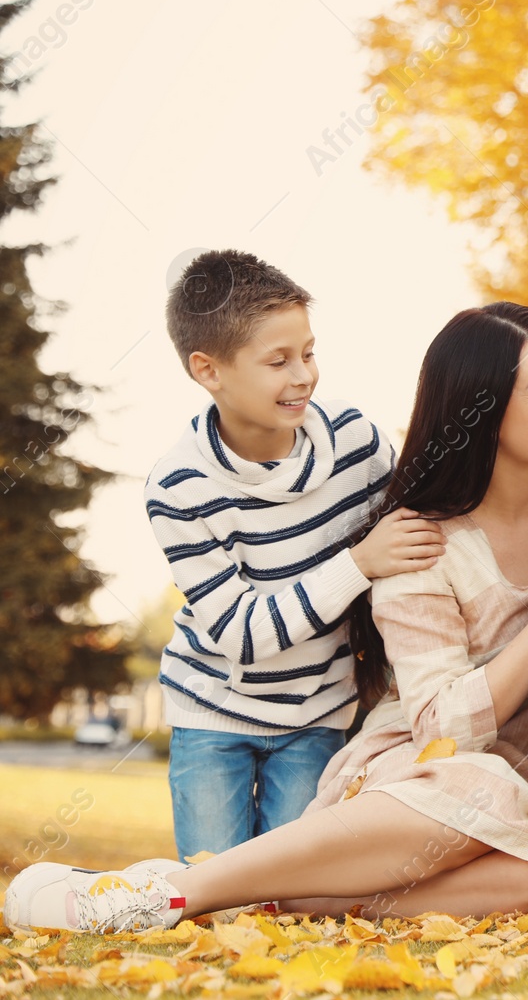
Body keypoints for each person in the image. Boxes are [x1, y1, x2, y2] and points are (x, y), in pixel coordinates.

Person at [4, 304, 528, 932]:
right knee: (477, 783)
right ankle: (166, 897)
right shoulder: (421, 545)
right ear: (485, 409)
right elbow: (449, 734)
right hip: (426, 775)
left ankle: (267, 900)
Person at [143, 250, 442, 860]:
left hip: (321, 711)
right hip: (214, 713)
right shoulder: (179, 487)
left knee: (295, 890)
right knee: (215, 887)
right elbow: (239, 633)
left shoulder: (357, 443)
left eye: (308, 352)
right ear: (208, 370)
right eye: (278, 361)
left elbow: (437, 507)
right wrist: (358, 563)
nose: (303, 375)